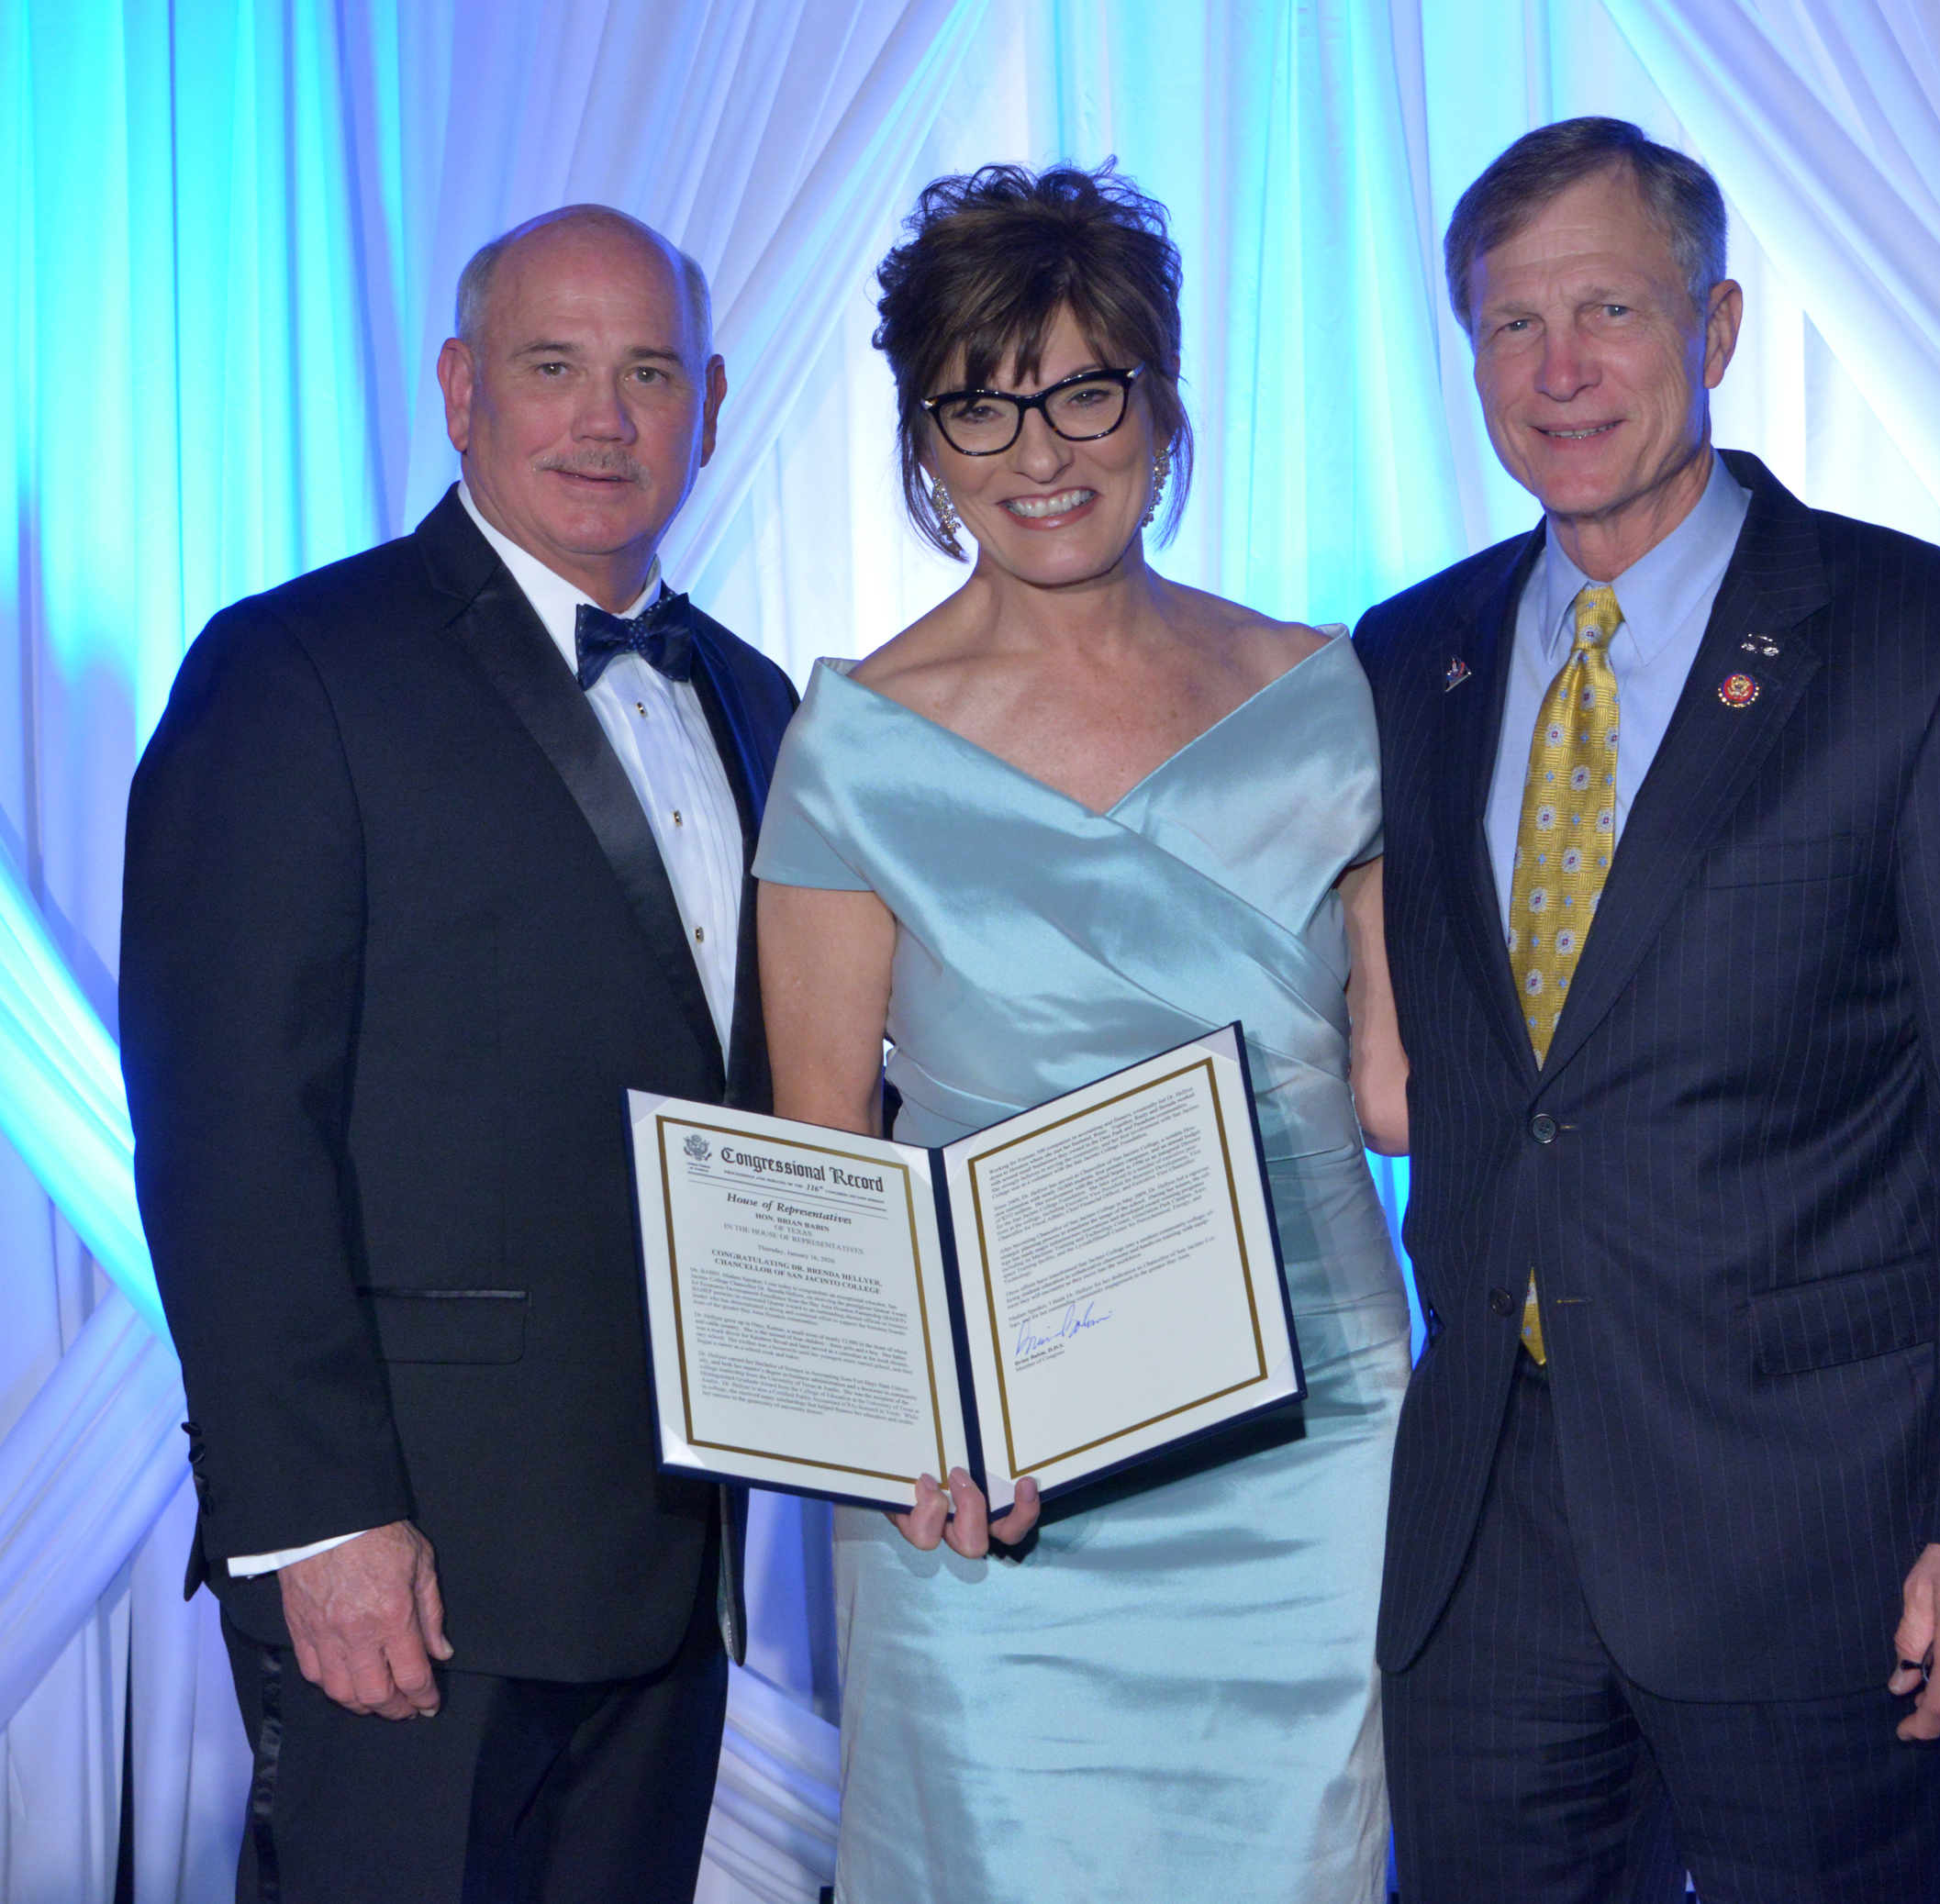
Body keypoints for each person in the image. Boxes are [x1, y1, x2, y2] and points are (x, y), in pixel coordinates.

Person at [1357, 117, 1940, 1901]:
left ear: (1717, 328)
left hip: (1817, 1535)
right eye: (1509, 324)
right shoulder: (1410, 656)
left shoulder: (1926, 644)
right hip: (1489, 1534)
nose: (1560, 371)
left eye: (1609, 309)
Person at [119, 205, 797, 1901]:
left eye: (648, 372)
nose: (605, 418)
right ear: (457, 389)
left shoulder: (759, 698)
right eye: (552, 366)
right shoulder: (295, 670)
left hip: (670, 1551)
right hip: (411, 1573)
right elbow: (224, 1133)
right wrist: (317, 1524)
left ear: (708, 402)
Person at [753, 163, 1412, 1903]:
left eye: (1083, 391)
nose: (1038, 453)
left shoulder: (1324, 692)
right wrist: (908, 1451)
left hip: (1321, 1450)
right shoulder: (855, 748)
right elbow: (824, 1159)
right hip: (1001, 1483)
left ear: (1160, 398)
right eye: (979, 406)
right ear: (923, 440)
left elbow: (1409, 1091)